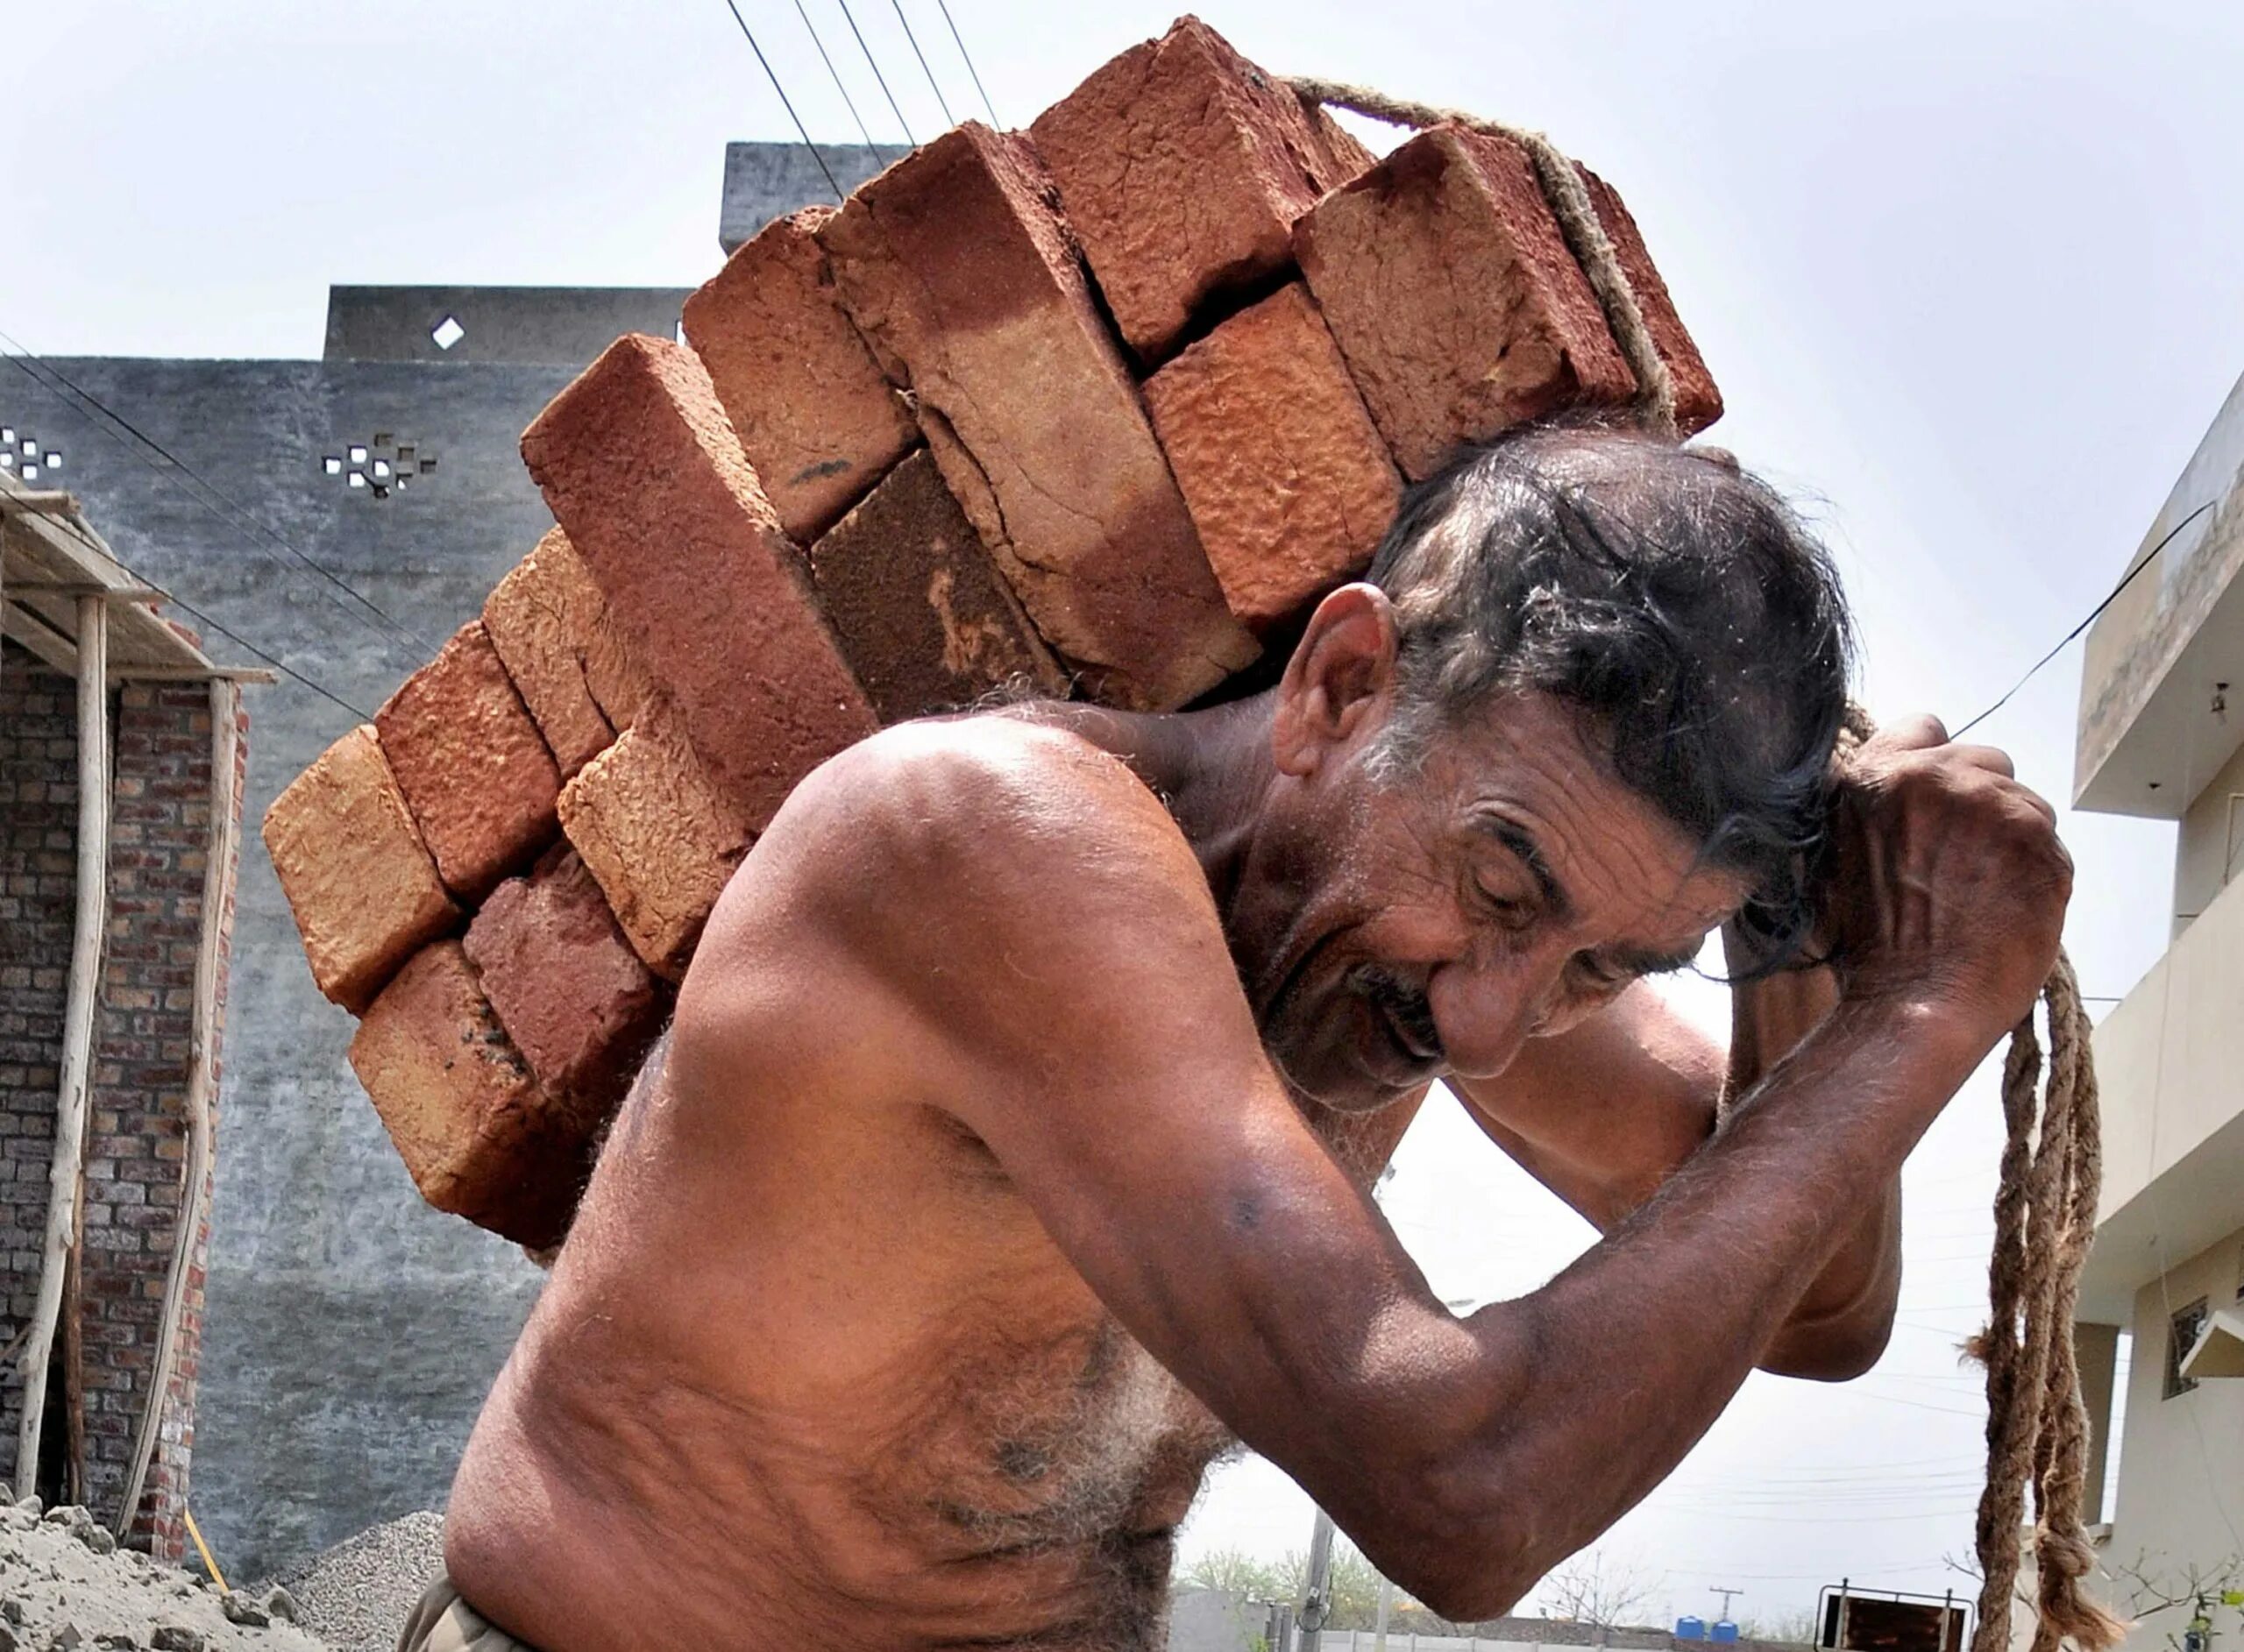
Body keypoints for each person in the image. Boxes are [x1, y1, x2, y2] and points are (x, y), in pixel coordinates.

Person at [403, 422, 2070, 1652]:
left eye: (1602, 967)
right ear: (1341, 690)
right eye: (1501, 889)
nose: (1492, 1027)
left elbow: (1810, 1299)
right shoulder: (989, 848)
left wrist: (1812, 947)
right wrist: (1924, 1008)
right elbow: (1464, 1494)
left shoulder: (1415, 958)